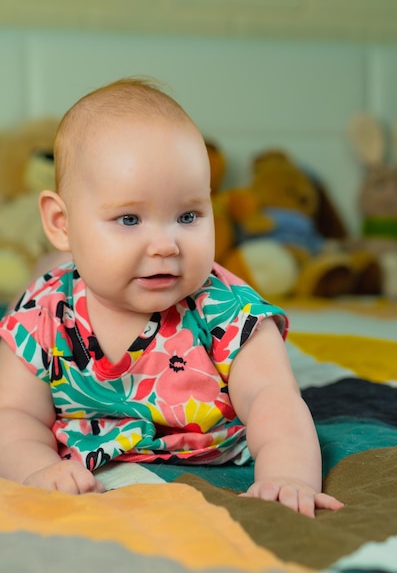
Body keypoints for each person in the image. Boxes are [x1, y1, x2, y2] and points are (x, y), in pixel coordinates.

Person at [0, 78, 343, 518]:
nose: (166, 245)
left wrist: (288, 475)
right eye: (129, 218)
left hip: (215, 451)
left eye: (187, 215)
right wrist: (38, 470)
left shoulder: (226, 310)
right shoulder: (42, 314)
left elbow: (272, 399)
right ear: (61, 223)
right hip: (84, 458)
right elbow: (13, 416)